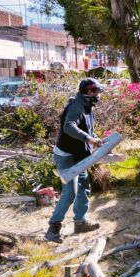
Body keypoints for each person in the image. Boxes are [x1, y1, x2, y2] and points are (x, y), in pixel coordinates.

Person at [45, 78, 104, 243]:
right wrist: (88, 139)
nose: (99, 94)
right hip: (66, 157)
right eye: (96, 91)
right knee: (70, 193)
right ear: (88, 92)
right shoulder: (77, 106)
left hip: (79, 156)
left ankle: (80, 222)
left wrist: (93, 138)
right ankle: (53, 229)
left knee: (84, 186)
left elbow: (85, 127)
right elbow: (69, 126)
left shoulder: (86, 105)